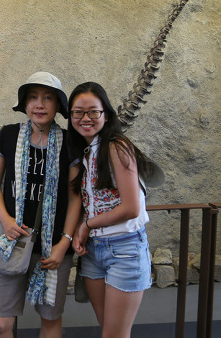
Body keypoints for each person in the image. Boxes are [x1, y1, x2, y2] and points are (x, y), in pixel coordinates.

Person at [0, 72, 80, 338]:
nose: (39, 104)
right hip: (12, 242)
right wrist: (5, 219)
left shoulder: (68, 143)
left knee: (50, 321)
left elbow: (75, 197)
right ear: (25, 103)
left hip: (52, 249)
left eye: (47, 98)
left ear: (58, 105)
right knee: (1, 324)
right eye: (33, 97)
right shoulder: (8, 135)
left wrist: (64, 244)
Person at [66, 82, 151, 338]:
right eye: (78, 112)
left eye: (93, 111)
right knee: (109, 330)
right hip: (93, 252)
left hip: (124, 250)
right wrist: (82, 233)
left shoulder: (117, 147)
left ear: (106, 114)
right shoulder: (86, 153)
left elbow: (131, 208)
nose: (85, 118)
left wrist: (86, 225)